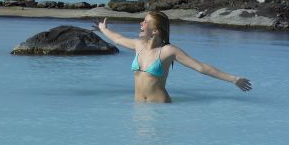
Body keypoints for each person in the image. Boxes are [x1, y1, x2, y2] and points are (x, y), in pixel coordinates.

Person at [93, 11, 252, 103]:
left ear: (156, 31)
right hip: (139, 108)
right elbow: (118, 39)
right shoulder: (138, 45)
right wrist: (103, 29)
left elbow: (201, 67)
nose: (141, 24)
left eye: (146, 22)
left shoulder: (168, 51)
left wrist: (233, 79)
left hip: (161, 110)